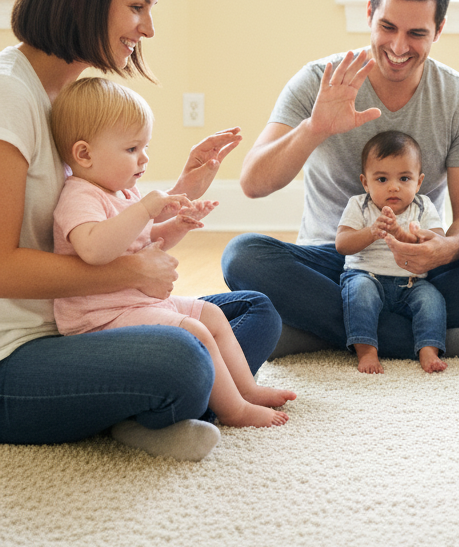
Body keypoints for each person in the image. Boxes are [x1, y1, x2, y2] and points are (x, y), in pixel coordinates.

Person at [0, 0, 281, 461]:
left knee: (255, 313)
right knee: (181, 358)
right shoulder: (10, 99)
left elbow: (106, 222)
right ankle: (151, 401)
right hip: (18, 357)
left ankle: (138, 405)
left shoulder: (72, 101)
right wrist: (130, 271)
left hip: (85, 325)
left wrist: (182, 190)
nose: (148, 29)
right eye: (136, 7)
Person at [221, 0, 459, 361]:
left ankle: (324, 331)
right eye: (387, 27)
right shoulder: (319, 80)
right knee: (242, 256)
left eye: (417, 33)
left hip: (417, 267)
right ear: (369, 14)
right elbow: (253, 182)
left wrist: (446, 247)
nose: (399, 47)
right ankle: (438, 337)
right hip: (334, 261)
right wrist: (314, 128)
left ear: (439, 30)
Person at [50, 77, 294, 427]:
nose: (144, 158)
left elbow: (145, 242)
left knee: (211, 315)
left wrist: (176, 226)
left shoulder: (122, 194)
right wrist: (146, 209)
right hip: (101, 319)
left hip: (137, 304)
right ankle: (232, 410)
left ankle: (246, 390)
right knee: (196, 332)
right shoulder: (80, 196)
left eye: (145, 147)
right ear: (84, 154)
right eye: (132, 149)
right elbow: (93, 249)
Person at [336, 130, 447, 374]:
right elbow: (342, 244)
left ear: (419, 182)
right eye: (382, 179)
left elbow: (439, 242)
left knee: (432, 300)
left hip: (412, 282)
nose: (394, 187)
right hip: (366, 276)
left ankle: (428, 349)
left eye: (405, 179)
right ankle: (366, 351)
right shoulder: (359, 205)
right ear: (366, 182)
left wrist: (404, 236)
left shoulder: (423, 206)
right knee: (358, 294)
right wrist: (372, 232)